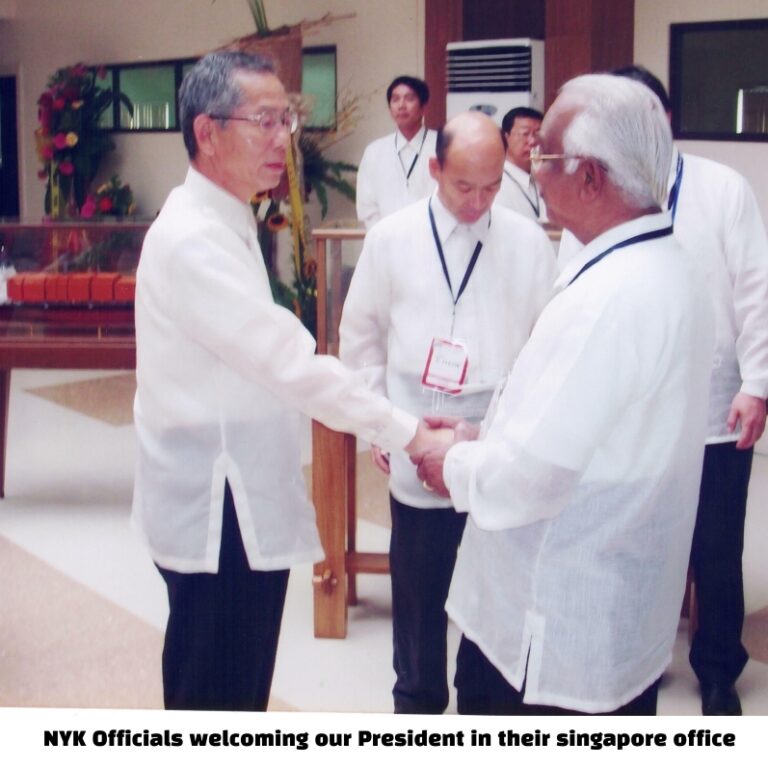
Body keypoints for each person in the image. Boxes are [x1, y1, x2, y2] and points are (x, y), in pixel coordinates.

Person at [131, 51, 445, 712]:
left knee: (237, 692)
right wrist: (411, 433)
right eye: (266, 121)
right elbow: (290, 364)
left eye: (287, 121)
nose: (283, 140)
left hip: (237, 491)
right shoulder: (193, 239)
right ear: (207, 133)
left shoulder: (228, 218)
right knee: (214, 701)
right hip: (218, 506)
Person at [414, 74, 716, 715]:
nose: (530, 169)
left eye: (541, 155)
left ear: (590, 178)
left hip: (545, 637)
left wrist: (453, 464)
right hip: (614, 617)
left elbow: (532, 479)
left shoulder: (610, 299)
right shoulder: (669, 265)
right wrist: (480, 437)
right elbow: (586, 435)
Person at [340, 111, 556, 714]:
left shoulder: (527, 241)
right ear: (435, 169)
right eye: (464, 186)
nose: (478, 201)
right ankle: (416, 698)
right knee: (418, 587)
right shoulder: (391, 239)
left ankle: (484, 704)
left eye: (492, 187)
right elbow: (361, 337)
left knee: (495, 587)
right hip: (415, 434)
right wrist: (377, 424)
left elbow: (545, 347)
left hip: (494, 442)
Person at [610, 65, 768, 716]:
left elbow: (756, 290)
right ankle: (636, 665)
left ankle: (717, 671)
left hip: (712, 404)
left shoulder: (721, 187)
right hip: (631, 411)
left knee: (715, 547)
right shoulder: (605, 186)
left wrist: (758, 384)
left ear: (668, 117)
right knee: (636, 544)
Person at [355, 75, 437, 229]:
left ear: (423, 107)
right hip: (386, 241)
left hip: (432, 240)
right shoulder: (375, 152)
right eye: (395, 99)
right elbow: (367, 207)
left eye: (409, 98)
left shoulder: (441, 146)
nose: (401, 105)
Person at [495, 106, 547, 222]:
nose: (532, 141)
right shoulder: (496, 183)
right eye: (525, 133)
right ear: (506, 137)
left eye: (538, 134)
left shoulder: (542, 179)